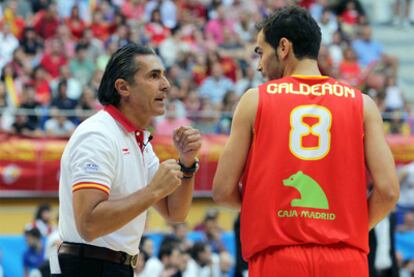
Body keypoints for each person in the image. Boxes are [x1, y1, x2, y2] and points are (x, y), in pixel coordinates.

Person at [212, 6, 399, 277]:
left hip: (278, 255)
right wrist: (351, 227)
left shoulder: (254, 101)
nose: (260, 64)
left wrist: (270, 208)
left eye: (261, 52)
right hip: (346, 257)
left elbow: (221, 191)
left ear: (284, 47)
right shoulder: (363, 104)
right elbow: (389, 191)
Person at [56, 43, 202, 277]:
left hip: (117, 266)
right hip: (87, 266)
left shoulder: (138, 140)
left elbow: (176, 213)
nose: (166, 85)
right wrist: (152, 191)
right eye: (154, 76)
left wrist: (187, 163)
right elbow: (89, 224)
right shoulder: (98, 135)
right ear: (123, 87)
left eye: (163, 75)